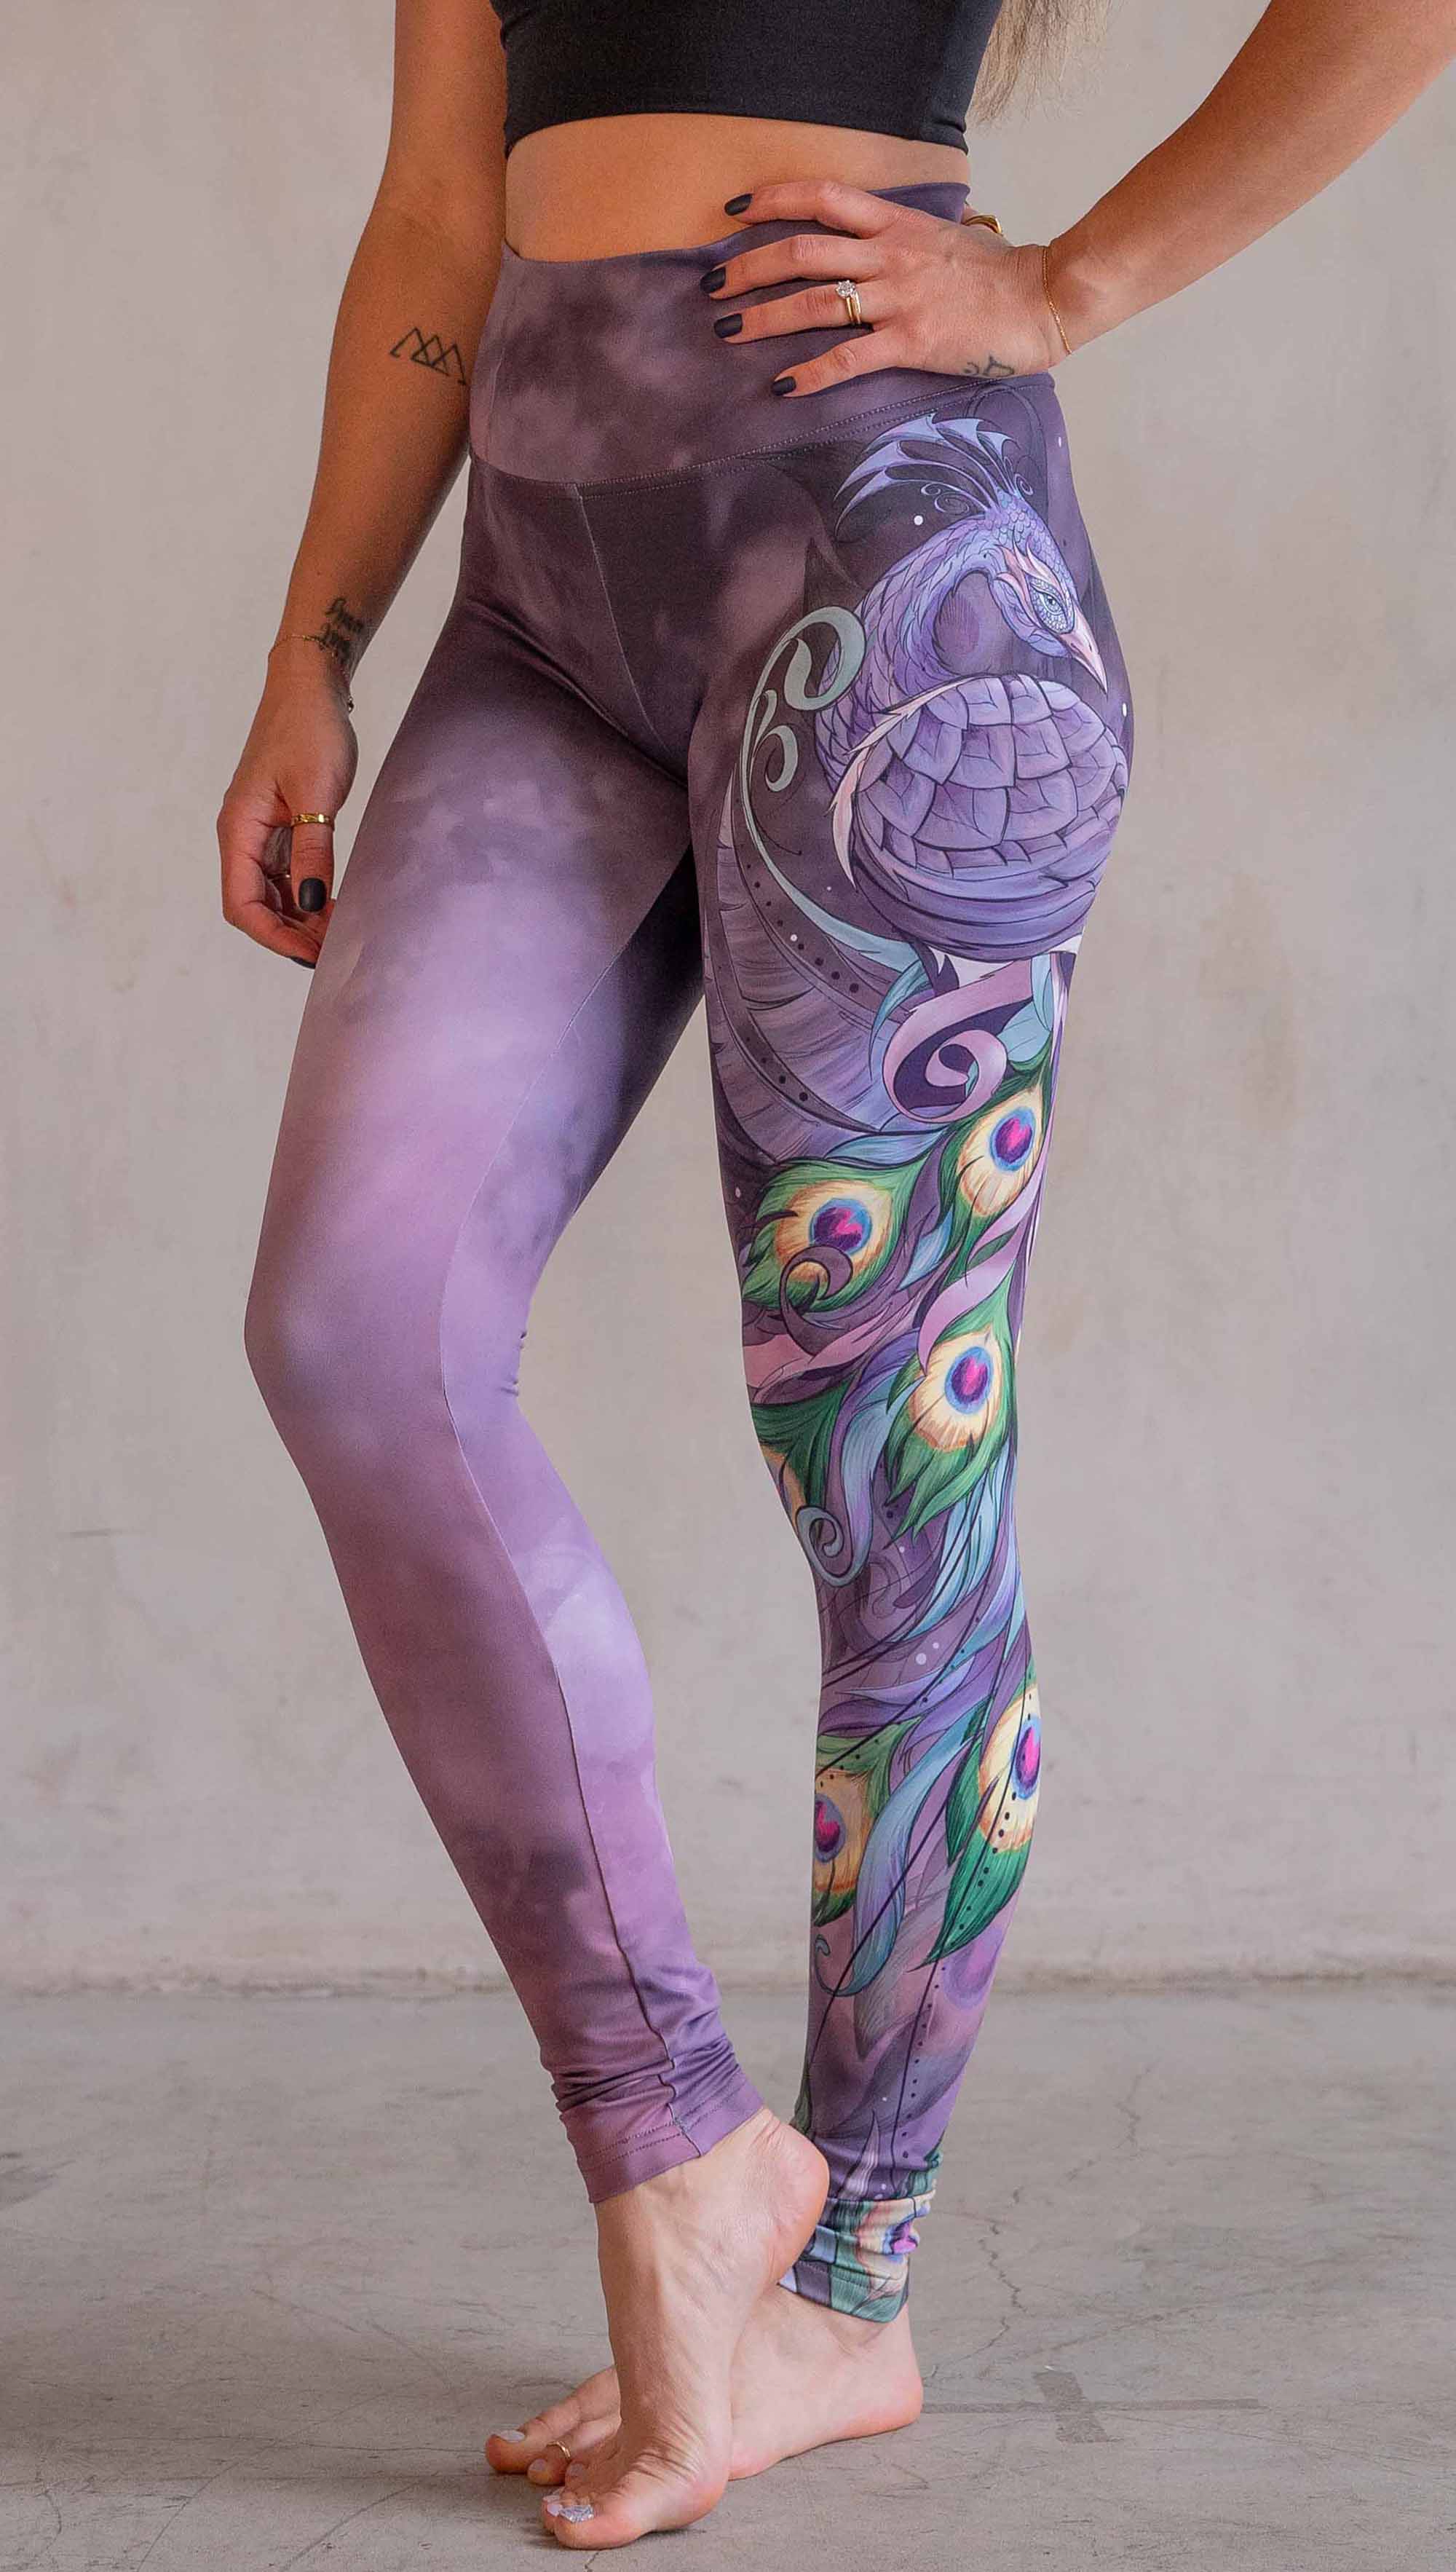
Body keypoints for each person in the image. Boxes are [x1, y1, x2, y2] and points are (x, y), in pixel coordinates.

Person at [220, 0, 1455, 2547]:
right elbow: (443, 208)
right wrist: (316, 641)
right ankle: (689, 2155)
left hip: (890, 563)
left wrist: (1069, 283)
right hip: (535, 599)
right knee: (354, 1329)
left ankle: (853, 2274)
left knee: (886, 1459)